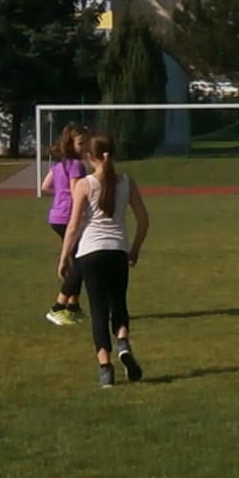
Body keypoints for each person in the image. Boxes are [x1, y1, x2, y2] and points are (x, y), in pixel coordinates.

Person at [55, 134, 149, 387]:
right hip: (117, 250)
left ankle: (106, 369)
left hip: (90, 253)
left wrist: (64, 258)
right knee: (119, 303)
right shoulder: (126, 182)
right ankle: (123, 342)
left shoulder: (84, 184)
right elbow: (143, 220)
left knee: (98, 312)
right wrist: (134, 249)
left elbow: (73, 226)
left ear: (89, 157)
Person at [40, 123, 89, 326]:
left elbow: (45, 186)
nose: (84, 146)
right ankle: (58, 307)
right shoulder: (76, 165)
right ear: (70, 144)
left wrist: (60, 195)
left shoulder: (59, 165)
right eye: (81, 143)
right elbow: (77, 192)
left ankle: (73, 307)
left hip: (56, 216)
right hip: (69, 217)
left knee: (77, 261)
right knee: (81, 264)